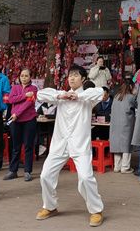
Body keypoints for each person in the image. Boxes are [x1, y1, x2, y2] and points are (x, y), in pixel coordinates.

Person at [35, 65, 105, 227]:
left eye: (75, 75)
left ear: (83, 79)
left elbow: (100, 92)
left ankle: (96, 210)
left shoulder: (87, 96)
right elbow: (40, 94)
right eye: (70, 75)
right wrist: (61, 95)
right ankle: (50, 206)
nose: (72, 78)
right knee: (45, 175)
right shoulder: (61, 95)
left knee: (86, 178)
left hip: (80, 145)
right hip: (60, 144)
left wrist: (78, 96)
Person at [4, 68, 38, 182]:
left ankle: (27, 171)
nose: (24, 78)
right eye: (22, 75)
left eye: (26, 76)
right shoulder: (15, 87)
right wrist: (24, 95)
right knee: (16, 146)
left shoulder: (33, 89)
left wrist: (17, 114)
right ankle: (13, 170)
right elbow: (11, 100)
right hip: (16, 121)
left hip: (29, 119)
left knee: (28, 146)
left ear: (30, 77)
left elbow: (28, 103)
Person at [109, 81, 136, 173]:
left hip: (115, 124)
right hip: (126, 124)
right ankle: (125, 167)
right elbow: (137, 106)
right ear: (131, 87)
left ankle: (117, 166)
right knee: (126, 145)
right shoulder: (131, 97)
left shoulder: (116, 96)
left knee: (117, 144)